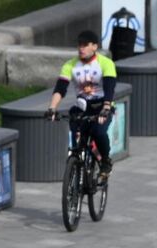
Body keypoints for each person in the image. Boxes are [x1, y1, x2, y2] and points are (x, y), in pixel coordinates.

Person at [47, 32, 118, 183]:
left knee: (98, 132)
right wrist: (52, 108)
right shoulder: (70, 65)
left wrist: (106, 108)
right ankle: (76, 164)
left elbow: (110, 88)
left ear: (94, 46)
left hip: (101, 106)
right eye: (79, 45)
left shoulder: (106, 63)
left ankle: (105, 161)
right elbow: (60, 88)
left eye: (85, 45)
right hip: (82, 107)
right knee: (77, 138)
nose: (81, 48)